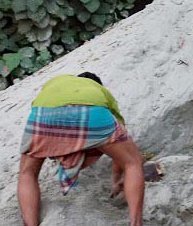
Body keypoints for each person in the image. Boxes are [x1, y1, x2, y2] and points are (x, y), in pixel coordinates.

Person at [18, 73, 144, 226]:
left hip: (43, 114)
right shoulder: (101, 92)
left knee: (27, 173)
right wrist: (117, 180)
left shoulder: (56, 82)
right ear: (96, 84)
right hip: (93, 114)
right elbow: (120, 144)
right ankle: (136, 223)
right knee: (133, 162)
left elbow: (46, 114)